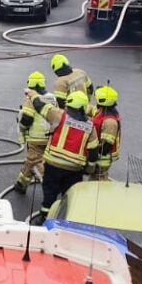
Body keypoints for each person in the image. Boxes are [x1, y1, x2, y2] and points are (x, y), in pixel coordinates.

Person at [31, 90, 99, 225]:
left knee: (50, 191)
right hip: (74, 169)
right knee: (69, 196)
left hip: (53, 165)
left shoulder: (59, 115)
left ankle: (44, 218)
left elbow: (40, 106)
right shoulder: (90, 127)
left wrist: (32, 94)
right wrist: (89, 169)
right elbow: (93, 151)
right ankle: (65, 222)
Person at [13, 72, 58, 193]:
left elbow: (26, 120)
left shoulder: (30, 100)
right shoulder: (52, 98)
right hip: (50, 136)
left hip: (35, 138)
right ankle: (21, 184)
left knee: (36, 161)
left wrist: (20, 123)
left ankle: (50, 185)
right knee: (31, 160)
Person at [90, 86, 121, 180]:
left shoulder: (110, 122)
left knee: (98, 180)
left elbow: (106, 146)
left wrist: (92, 156)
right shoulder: (102, 111)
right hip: (98, 154)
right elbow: (91, 110)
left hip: (102, 159)